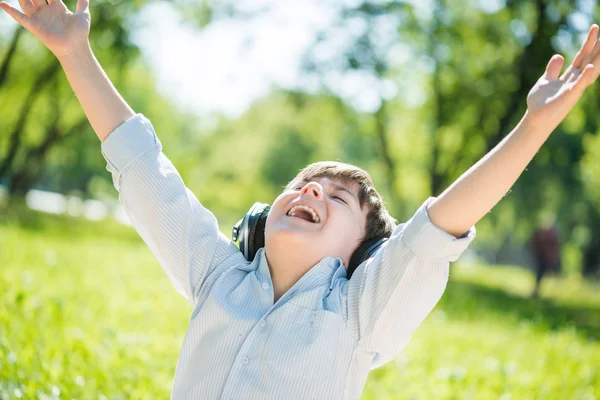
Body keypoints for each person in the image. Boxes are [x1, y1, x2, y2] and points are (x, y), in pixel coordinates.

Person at [2, 1, 599, 399]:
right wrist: (75, 53)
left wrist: (534, 128)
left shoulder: (359, 316)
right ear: (263, 219)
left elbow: (440, 223)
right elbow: (143, 170)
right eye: (304, 184)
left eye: (338, 199)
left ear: (359, 256)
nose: (312, 190)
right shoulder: (216, 274)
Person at [531, 222, 561, 298]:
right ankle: (540, 292)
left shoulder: (550, 236)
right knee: (541, 275)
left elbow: (556, 246)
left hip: (548, 258)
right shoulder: (546, 235)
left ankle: (553, 293)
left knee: (550, 275)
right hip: (544, 258)